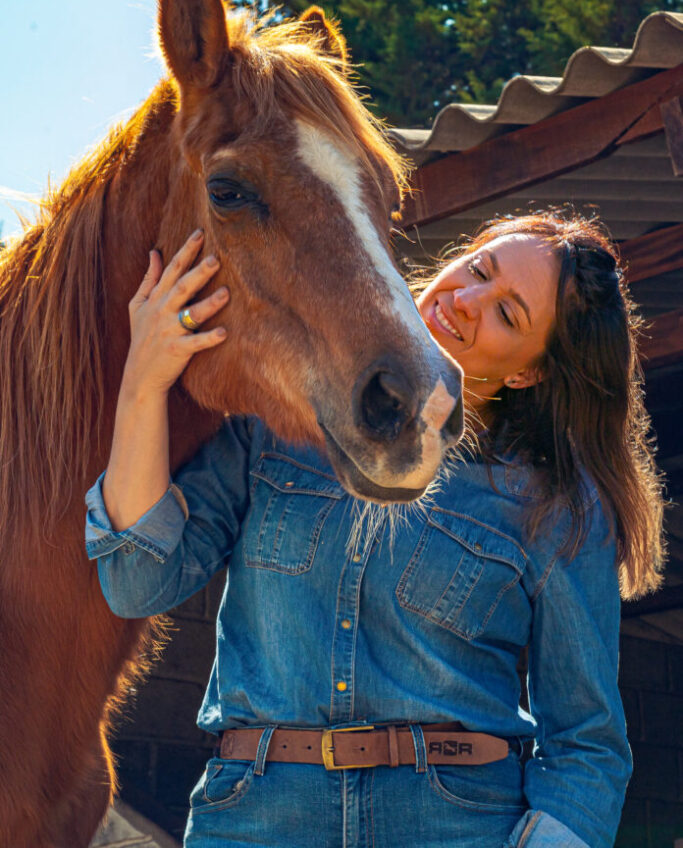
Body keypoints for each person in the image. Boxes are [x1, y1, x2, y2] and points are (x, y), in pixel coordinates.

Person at [85, 211, 665, 848]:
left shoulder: (554, 506)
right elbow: (137, 580)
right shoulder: (281, 416)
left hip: (454, 824)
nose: (466, 301)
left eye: (508, 314)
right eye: (478, 270)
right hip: (254, 821)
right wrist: (144, 380)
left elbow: (587, 743)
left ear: (527, 373)